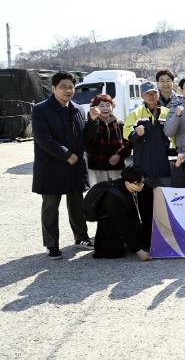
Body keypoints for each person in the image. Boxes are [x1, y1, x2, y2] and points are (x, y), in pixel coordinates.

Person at [32, 71, 93, 259]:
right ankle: (52, 245)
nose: (67, 90)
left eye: (71, 87)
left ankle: (81, 238)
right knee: (51, 206)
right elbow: (43, 138)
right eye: (63, 87)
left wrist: (93, 122)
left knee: (77, 204)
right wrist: (67, 154)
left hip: (74, 166)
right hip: (51, 165)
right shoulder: (41, 109)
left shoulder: (78, 109)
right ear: (53, 89)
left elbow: (84, 137)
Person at [92, 166, 152, 261]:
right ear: (127, 183)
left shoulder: (129, 185)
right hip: (109, 227)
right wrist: (139, 251)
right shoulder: (113, 198)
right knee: (115, 252)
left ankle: (131, 242)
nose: (142, 185)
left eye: (143, 182)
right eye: (139, 183)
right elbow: (123, 225)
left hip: (123, 221)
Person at [123, 82, 172, 186]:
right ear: (142, 95)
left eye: (154, 93)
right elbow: (126, 134)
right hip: (143, 165)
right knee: (145, 194)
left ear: (158, 94)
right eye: (147, 93)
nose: (151, 96)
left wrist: (172, 156)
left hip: (163, 164)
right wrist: (136, 134)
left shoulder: (168, 113)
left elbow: (173, 138)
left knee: (163, 194)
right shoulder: (135, 113)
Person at [83, 94, 132, 186]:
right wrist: (92, 121)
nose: (105, 108)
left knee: (117, 192)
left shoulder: (120, 124)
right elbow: (86, 139)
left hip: (117, 167)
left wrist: (119, 155)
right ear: (95, 108)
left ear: (112, 107)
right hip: (96, 168)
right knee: (99, 192)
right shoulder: (90, 123)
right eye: (101, 106)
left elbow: (128, 143)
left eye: (108, 105)